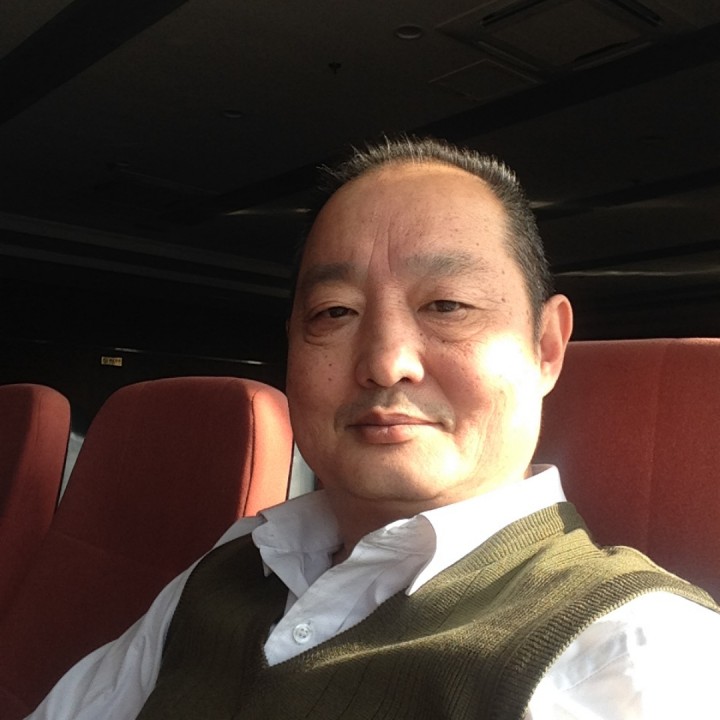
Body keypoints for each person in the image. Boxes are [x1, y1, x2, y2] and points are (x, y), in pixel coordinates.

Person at [27, 136, 720, 719]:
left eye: (447, 305)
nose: (386, 362)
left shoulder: (634, 654)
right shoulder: (237, 561)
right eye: (334, 312)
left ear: (545, 347)